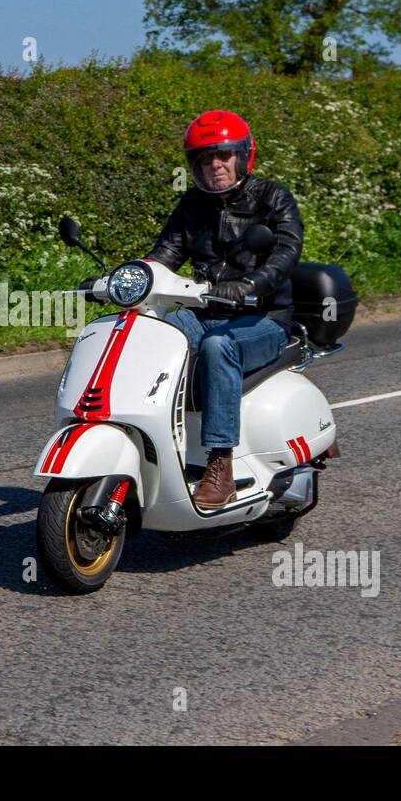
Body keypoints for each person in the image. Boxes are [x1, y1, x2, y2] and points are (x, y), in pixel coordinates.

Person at [146, 110, 304, 508]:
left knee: (219, 346)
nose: (214, 165)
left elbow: (286, 252)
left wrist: (251, 284)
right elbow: (165, 254)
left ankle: (221, 466)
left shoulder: (273, 197)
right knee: (151, 330)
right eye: (204, 158)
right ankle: (157, 442)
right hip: (205, 310)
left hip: (264, 318)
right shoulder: (193, 204)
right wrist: (130, 279)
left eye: (222, 155)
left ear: (242, 155)